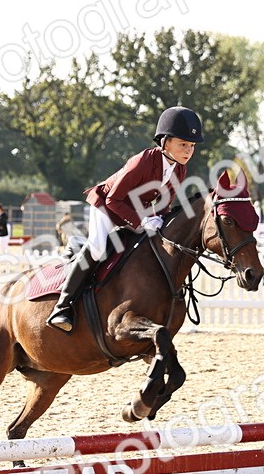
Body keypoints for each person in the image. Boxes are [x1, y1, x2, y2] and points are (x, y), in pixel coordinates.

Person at [47, 106, 198, 332]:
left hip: (137, 210)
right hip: (107, 205)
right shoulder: (143, 161)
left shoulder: (180, 170)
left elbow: (165, 205)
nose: (188, 151)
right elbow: (114, 200)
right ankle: (63, 306)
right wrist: (142, 221)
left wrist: (161, 222)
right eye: (183, 144)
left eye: (192, 146)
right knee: (97, 249)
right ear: (165, 143)